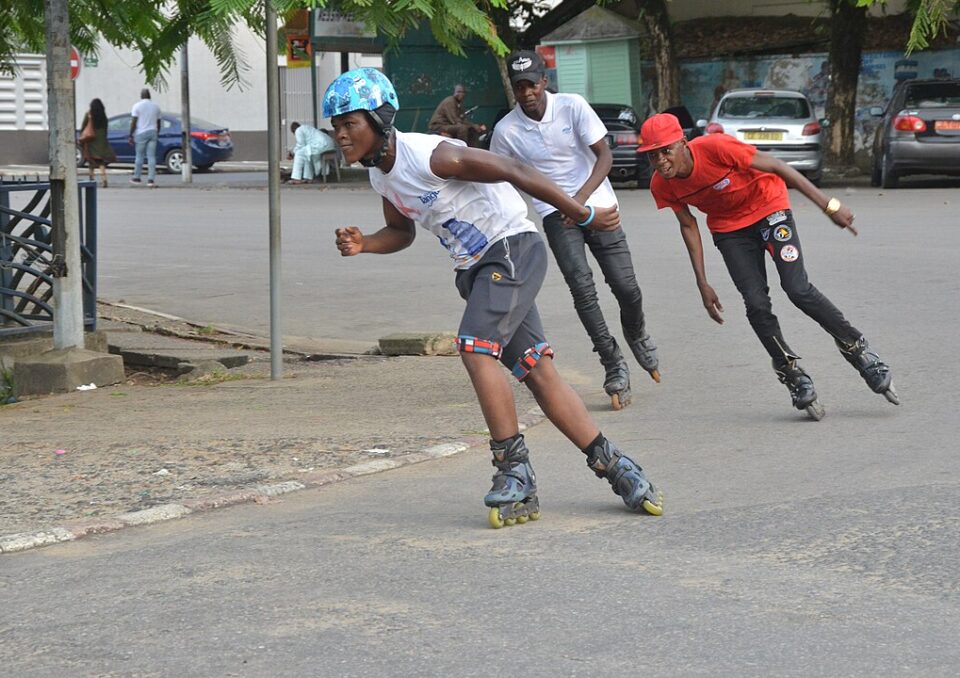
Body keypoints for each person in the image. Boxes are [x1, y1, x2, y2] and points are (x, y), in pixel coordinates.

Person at [324, 68, 663, 526]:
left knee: (475, 347)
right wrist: (366, 242)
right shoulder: (381, 177)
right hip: (478, 271)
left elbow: (516, 170)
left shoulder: (433, 156)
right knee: (539, 373)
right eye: (336, 126)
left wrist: (580, 212)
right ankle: (619, 468)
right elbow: (401, 232)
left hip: (510, 250)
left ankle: (514, 469)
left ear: (381, 119)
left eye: (350, 124)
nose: (341, 134)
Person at [639, 113, 898, 420]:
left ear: (683, 143)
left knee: (797, 289)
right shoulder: (662, 185)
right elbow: (688, 225)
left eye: (666, 150)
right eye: (653, 155)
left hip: (769, 207)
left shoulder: (716, 147)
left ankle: (858, 350)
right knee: (756, 304)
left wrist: (828, 206)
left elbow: (778, 166)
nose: (661, 161)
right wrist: (702, 282)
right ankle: (791, 372)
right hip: (730, 230)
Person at [489, 51, 660, 411]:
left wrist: (579, 202)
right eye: (519, 87)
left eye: (532, 85)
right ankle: (612, 361)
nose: (527, 93)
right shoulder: (506, 131)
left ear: (544, 82)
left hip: (597, 202)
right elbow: (500, 181)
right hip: (555, 214)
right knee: (582, 289)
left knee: (626, 287)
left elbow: (605, 156)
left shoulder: (573, 106)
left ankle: (636, 332)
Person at [79, 98, 116, 188]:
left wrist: (82, 136)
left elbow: (83, 127)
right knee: (100, 161)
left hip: (91, 140)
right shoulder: (103, 116)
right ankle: (104, 179)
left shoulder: (89, 114)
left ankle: (91, 179)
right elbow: (106, 128)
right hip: (101, 139)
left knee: (91, 160)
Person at [128, 88, 161, 188]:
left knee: (139, 156)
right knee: (151, 156)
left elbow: (134, 121)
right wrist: (157, 132)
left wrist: (130, 134)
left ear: (141, 96)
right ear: (149, 95)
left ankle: (137, 177)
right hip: (153, 132)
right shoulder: (156, 107)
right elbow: (159, 122)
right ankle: (151, 180)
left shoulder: (137, 106)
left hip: (141, 132)